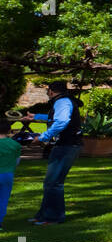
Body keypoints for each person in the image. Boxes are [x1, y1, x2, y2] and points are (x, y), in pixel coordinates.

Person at [29, 81, 83, 226]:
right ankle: (43, 215)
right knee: (50, 182)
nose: (47, 93)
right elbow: (56, 117)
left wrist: (42, 137)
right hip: (66, 145)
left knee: (54, 183)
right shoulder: (64, 100)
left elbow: (62, 121)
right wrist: (35, 117)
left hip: (67, 145)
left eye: (48, 91)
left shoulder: (62, 102)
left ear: (52, 91)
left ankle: (53, 218)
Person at [0, 121, 22, 229]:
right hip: (7, 175)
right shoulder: (15, 144)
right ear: (9, 130)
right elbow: (17, 161)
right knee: (3, 199)